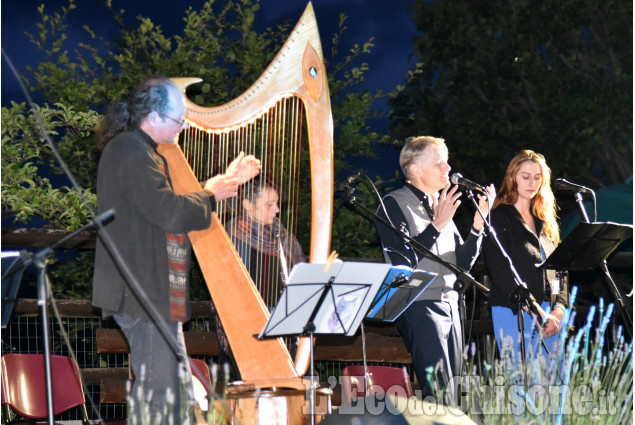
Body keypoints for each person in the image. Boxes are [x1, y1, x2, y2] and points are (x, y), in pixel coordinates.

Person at [92, 76, 260, 424]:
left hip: (152, 290)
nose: (183, 125)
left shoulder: (141, 151)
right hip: (142, 289)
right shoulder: (129, 149)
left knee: (176, 395)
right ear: (152, 117)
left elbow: (160, 209)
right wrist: (212, 194)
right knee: (160, 397)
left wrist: (221, 186)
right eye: (178, 119)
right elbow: (168, 212)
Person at [375, 136, 495, 404]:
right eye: (439, 162)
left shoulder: (439, 206)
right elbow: (402, 261)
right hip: (420, 303)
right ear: (415, 168)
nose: (448, 168)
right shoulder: (393, 203)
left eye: (447, 162)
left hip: (452, 303)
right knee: (439, 394)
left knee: (453, 394)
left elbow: (461, 264)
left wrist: (477, 227)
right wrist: (437, 225)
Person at [210, 181, 305, 376]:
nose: (277, 210)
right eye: (269, 205)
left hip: (286, 329)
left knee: (299, 384)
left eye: (277, 204)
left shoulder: (284, 239)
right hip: (246, 333)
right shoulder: (231, 237)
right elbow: (228, 292)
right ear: (247, 205)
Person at [482, 150, 569, 362]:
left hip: (549, 316)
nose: (532, 182)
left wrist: (558, 308)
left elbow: (558, 272)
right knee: (522, 381)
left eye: (537, 177)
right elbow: (500, 270)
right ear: (513, 178)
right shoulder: (498, 217)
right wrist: (534, 308)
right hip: (513, 310)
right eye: (525, 176)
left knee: (555, 384)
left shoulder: (546, 222)